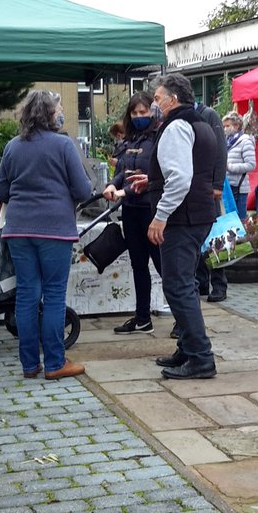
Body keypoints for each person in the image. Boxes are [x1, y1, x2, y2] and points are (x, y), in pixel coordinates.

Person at [0, 91, 92, 380]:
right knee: (54, 294)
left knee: (26, 295)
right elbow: (83, 191)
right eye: (58, 109)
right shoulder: (63, 145)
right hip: (55, 230)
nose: (61, 113)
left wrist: (24, 192)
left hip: (19, 229)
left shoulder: (13, 146)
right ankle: (54, 362)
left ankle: (29, 365)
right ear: (50, 114)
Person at [132, 73, 217, 380]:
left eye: (157, 98)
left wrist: (160, 215)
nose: (154, 103)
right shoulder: (201, 124)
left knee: (177, 285)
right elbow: (189, 172)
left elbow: (181, 178)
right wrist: (152, 181)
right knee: (185, 284)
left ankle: (200, 357)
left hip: (183, 217)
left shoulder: (176, 126)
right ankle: (188, 348)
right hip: (198, 214)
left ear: (173, 99)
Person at [102, 93, 162, 335]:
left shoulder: (159, 138)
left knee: (162, 265)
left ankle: (182, 320)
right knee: (138, 264)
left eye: (143, 112)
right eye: (135, 113)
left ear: (152, 112)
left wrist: (123, 191)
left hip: (151, 209)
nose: (139, 117)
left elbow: (150, 174)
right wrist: (111, 185)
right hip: (130, 210)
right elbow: (124, 170)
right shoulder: (129, 139)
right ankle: (142, 317)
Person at [194, 101, 229, 304]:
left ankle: (219, 284)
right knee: (198, 237)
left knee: (216, 236)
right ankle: (201, 281)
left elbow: (220, 152)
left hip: (210, 187)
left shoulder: (209, 115)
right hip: (196, 187)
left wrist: (217, 184)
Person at [223, 112, 256, 222]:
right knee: (229, 219)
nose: (225, 129)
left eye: (227, 126)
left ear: (236, 126)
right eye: (224, 126)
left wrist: (230, 167)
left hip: (239, 186)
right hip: (227, 185)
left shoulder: (245, 141)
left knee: (240, 220)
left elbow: (251, 164)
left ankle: (242, 239)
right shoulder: (226, 141)